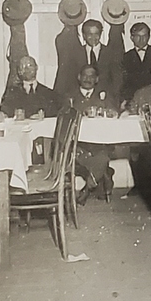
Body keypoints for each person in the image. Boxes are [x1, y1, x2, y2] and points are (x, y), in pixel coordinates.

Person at [66, 65, 117, 204]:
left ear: (97, 79)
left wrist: (112, 113)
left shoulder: (104, 97)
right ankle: (104, 174)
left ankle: (86, 190)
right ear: (79, 77)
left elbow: (114, 112)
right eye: (85, 75)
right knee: (90, 159)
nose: (88, 79)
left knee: (102, 156)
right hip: (78, 146)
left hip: (100, 145)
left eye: (92, 76)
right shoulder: (70, 96)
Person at [120, 22, 151, 103]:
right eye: (138, 36)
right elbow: (122, 82)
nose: (141, 39)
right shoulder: (125, 57)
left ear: (149, 37)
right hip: (133, 99)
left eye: (144, 36)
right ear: (132, 38)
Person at [77, 19, 122, 103]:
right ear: (84, 35)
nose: (93, 38)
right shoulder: (76, 53)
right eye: (89, 34)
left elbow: (117, 80)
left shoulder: (110, 53)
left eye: (96, 34)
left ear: (101, 34)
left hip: (106, 100)